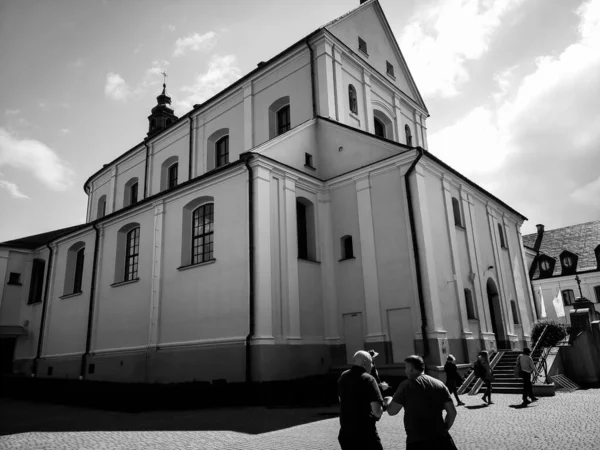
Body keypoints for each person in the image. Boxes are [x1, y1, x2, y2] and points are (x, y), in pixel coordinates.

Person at [384, 355, 458, 450]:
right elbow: (452, 412)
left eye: (406, 367)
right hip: (442, 439)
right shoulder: (439, 384)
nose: (405, 371)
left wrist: (388, 400)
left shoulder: (406, 385)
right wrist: (445, 429)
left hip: (417, 440)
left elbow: (392, 411)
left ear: (411, 368)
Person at [337, 350, 384, 450]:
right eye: (371, 362)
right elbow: (377, 412)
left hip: (346, 433)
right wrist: (385, 404)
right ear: (364, 362)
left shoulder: (343, 377)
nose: (372, 365)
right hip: (365, 434)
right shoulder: (368, 379)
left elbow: (341, 400)